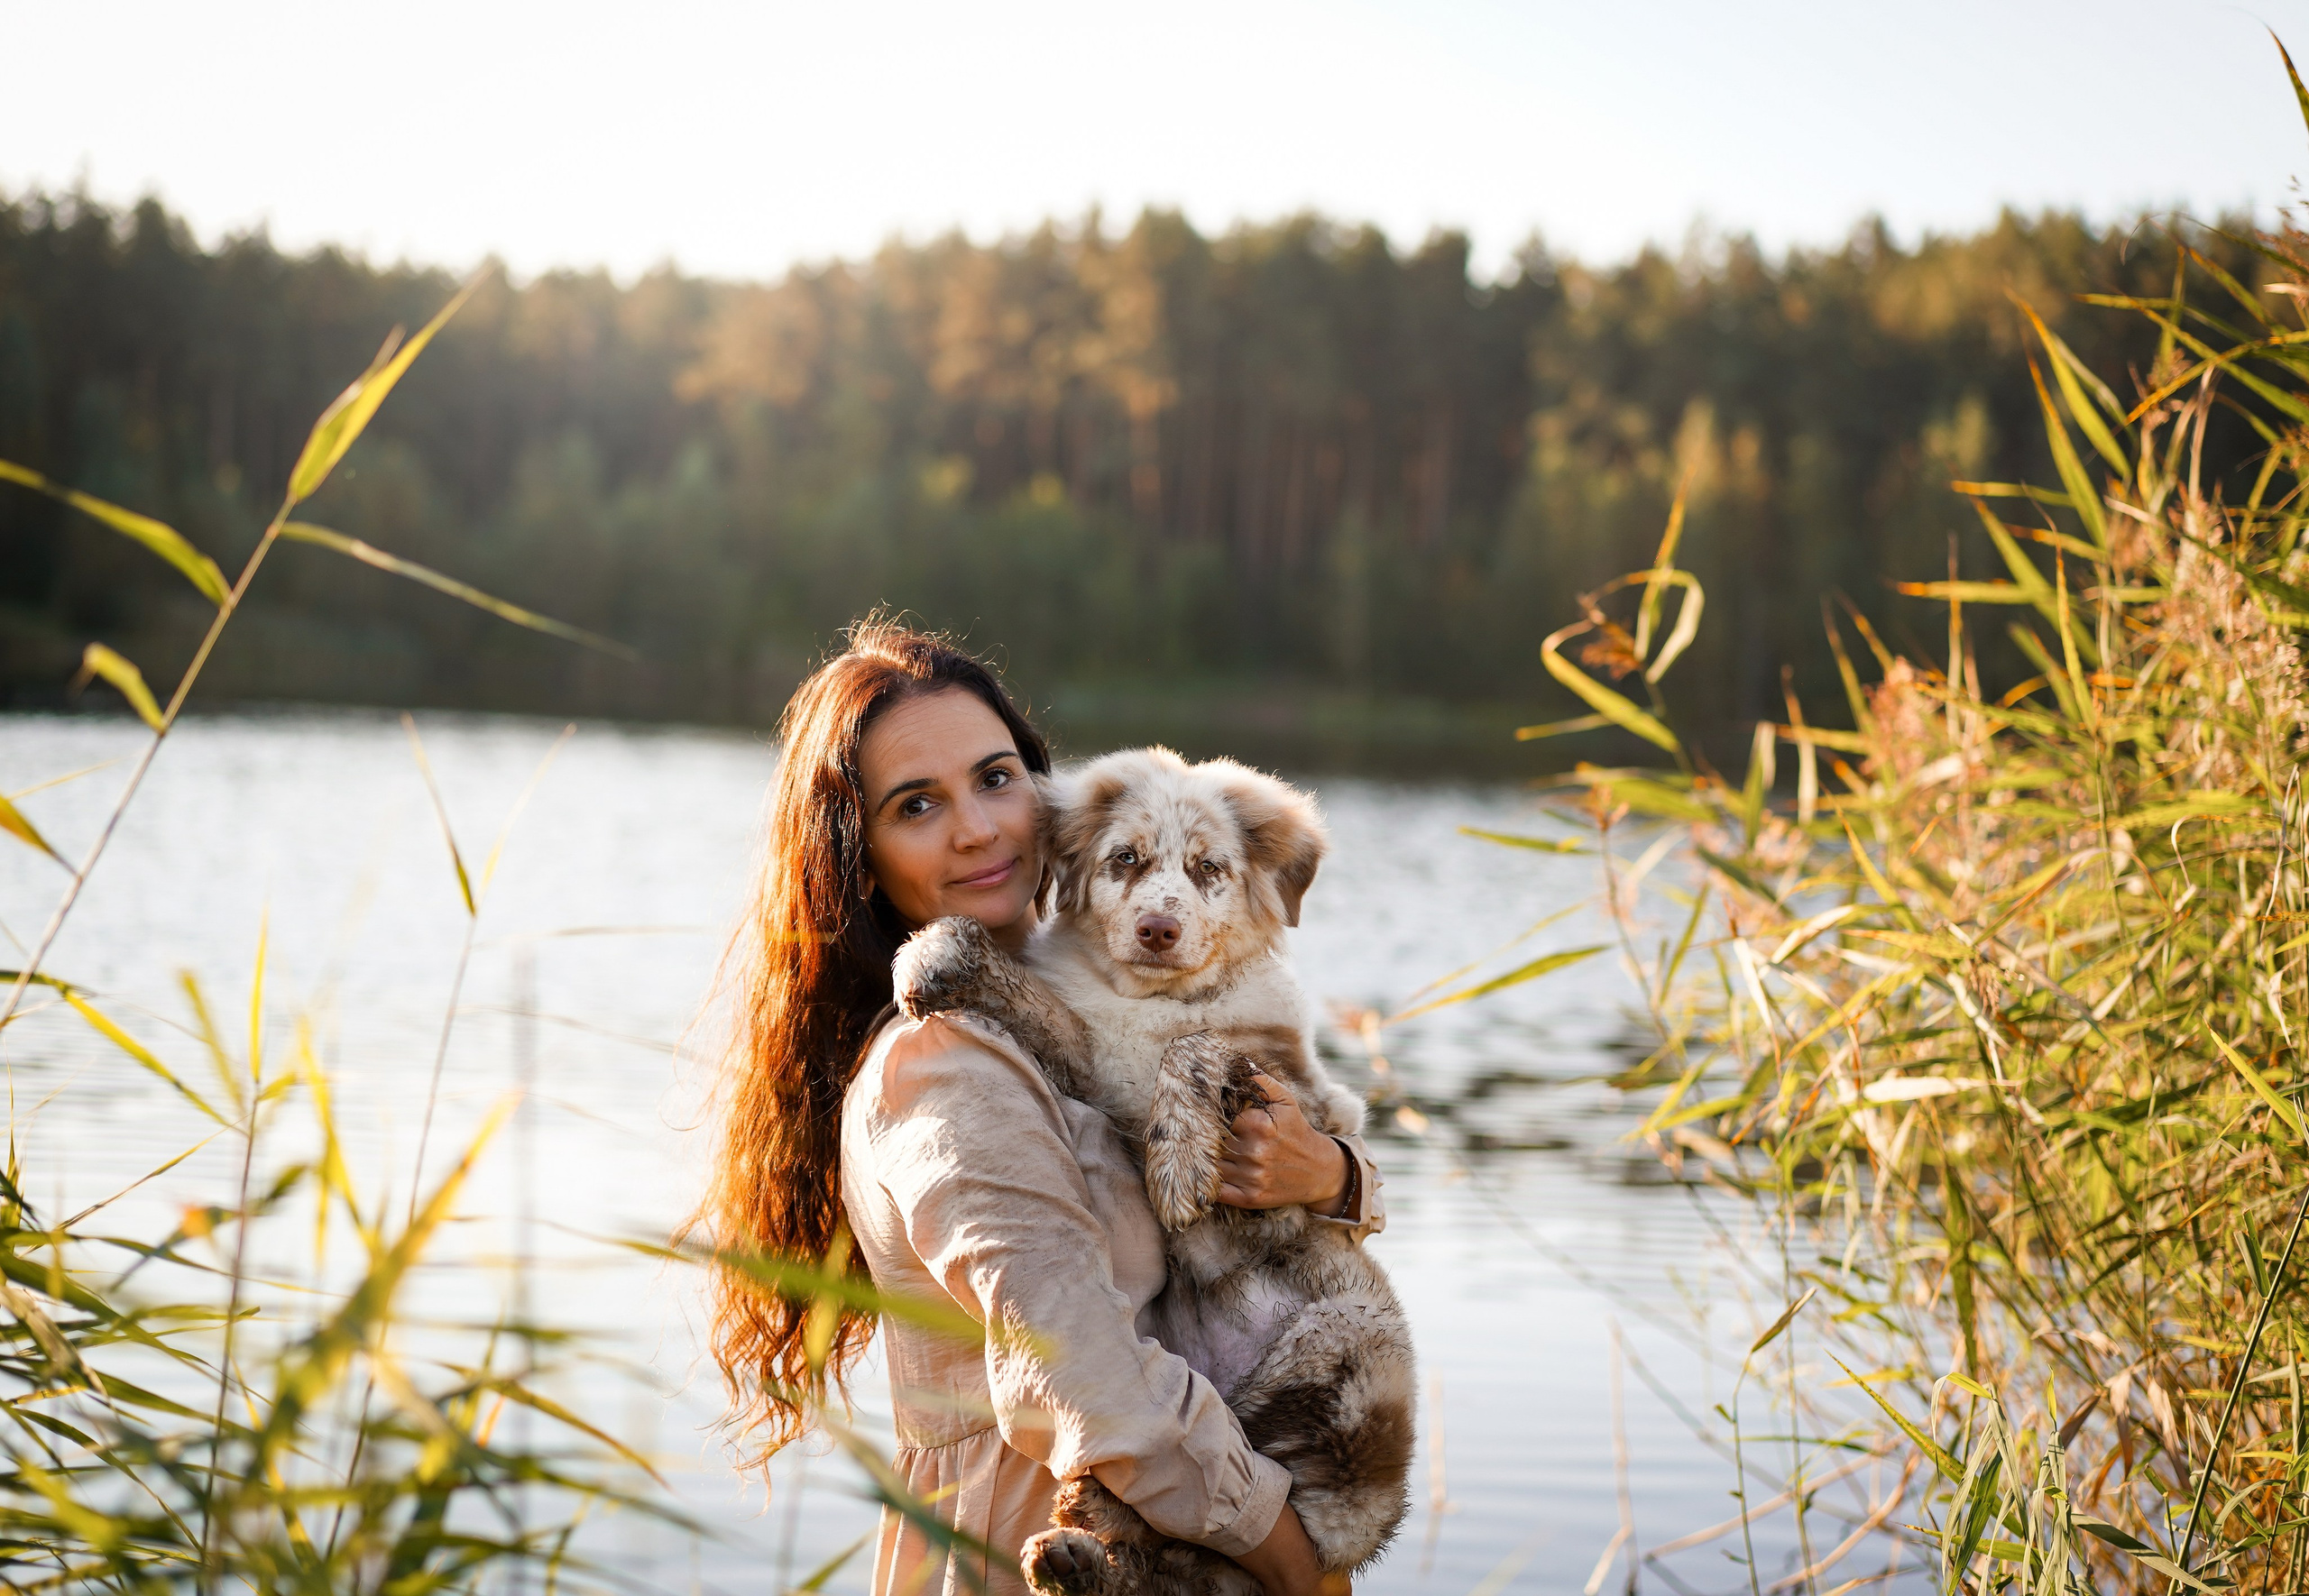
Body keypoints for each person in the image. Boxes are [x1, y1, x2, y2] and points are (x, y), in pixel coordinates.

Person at [695, 619, 1385, 1596]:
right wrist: (1300, 1563)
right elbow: (1082, 1374)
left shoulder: (1086, 1002)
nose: (976, 828)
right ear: (861, 857)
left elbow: (1256, 1218)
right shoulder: (944, 1065)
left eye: (994, 777)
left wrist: (1337, 1175)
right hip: (1029, 1555)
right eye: (916, 805)